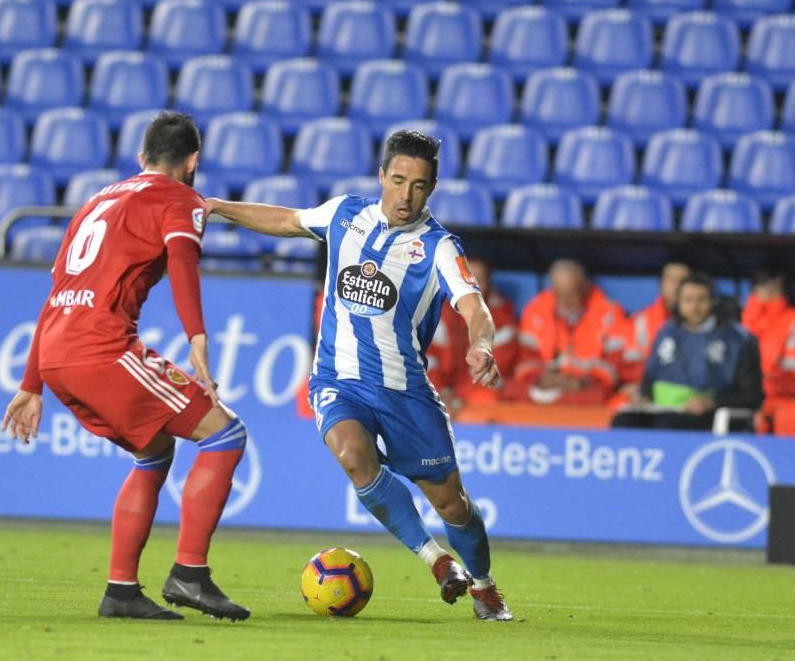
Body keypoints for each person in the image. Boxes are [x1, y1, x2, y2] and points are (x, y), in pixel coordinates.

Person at [207, 130, 513, 621]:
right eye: (398, 181)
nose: (406, 196)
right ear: (381, 177)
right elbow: (286, 220)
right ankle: (436, 562)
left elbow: (475, 307)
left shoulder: (438, 247)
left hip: (406, 394)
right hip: (338, 380)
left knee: (452, 506)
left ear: (431, 188)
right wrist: (220, 206)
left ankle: (484, 585)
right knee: (353, 457)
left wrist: (480, 345)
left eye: (418, 185)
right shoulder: (344, 215)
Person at [2, 112, 249, 622]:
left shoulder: (96, 200)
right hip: (102, 348)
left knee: (155, 450)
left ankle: (121, 591)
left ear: (141, 159)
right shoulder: (179, 197)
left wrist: (32, 383)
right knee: (225, 436)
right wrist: (197, 338)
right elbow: (183, 261)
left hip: (57, 354)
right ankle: (190, 574)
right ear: (192, 162)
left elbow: (57, 294)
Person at [612, 274, 764, 431]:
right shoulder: (667, 332)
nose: (694, 306)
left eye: (701, 300)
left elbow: (752, 395)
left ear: (713, 301)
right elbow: (650, 378)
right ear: (678, 303)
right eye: (688, 300)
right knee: (623, 421)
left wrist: (711, 402)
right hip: (663, 410)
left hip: (707, 415)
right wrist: (642, 396)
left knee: (667, 425)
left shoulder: (736, 340)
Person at [506, 259, 624, 405]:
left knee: (601, 399)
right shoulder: (537, 309)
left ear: (585, 288)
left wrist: (585, 381)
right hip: (544, 383)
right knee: (509, 392)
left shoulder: (609, 313)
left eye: (571, 295)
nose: (565, 302)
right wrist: (539, 378)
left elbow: (614, 364)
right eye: (559, 295)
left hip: (586, 387)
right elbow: (526, 357)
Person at [427, 256, 518, 413]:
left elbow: (491, 370)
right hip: (438, 390)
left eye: (479, 280)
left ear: (489, 284)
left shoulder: (502, 321)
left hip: (471, 392)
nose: (471, 286)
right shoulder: (436, 313)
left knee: (487, 398)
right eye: (466, 278)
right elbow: (426, 358)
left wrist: (457, 397)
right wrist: (440, 392)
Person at [607, 261, 691, 407]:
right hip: (641, 391)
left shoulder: (706, 326)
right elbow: (620, 364)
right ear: (661, 285)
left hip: (686, 396)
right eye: (671, 279)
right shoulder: (640, 322)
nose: (677, 286)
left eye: (683, 280)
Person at [741, 268, 795, 433]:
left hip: (785, 399)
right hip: (748, 397)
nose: (768, 289)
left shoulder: (791, 320)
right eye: (762, 283)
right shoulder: (743, 320)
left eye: (774, 284)